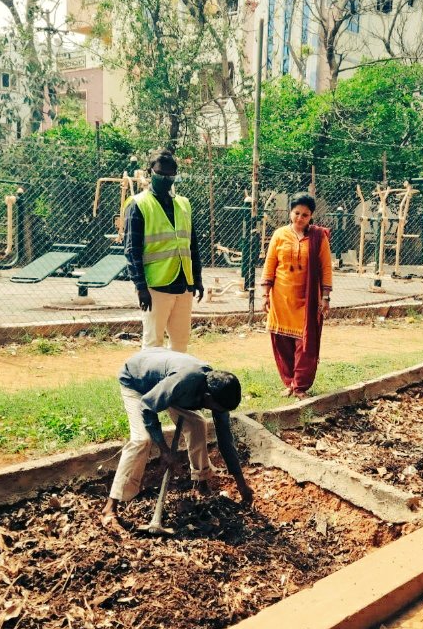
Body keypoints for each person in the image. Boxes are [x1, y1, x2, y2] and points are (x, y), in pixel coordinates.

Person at [101, 347, 254, 535]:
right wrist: (164, 450)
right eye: (218, 408)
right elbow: (148, 407)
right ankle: (110, 507)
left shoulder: (217, 394)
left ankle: (201, 482)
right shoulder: (183, 383)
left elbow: (225, 439)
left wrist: (241, 483)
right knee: (142, 440)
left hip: (166, 381)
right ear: (207, 398)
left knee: (197, 423)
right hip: (137, 381)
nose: (220, 412)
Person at [123, 148, 203, 352]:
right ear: (150, 172)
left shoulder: (183, 204)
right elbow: (132, 250)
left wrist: (197, 279)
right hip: (156, 287)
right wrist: (141, 287)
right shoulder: (138, 205)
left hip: (184, 285)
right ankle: (151, 384)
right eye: (160, 173)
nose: (166, 178)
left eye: (170, 174)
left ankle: (176, 383)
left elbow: (192, 245)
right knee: (153, 343)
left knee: (180, 342)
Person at [260, 192, 333, 399]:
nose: (300, 218)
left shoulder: (319, 238)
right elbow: (270, 264)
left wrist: (325, 297)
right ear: (290, 212)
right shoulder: (279, 235)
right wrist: (265, 294)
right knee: (281, 341)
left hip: (308, 300)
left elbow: (326, 268)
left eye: (305, 215)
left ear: (311, 217)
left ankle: (300, 386)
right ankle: (289, 383)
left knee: (305, 344)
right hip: (281, 297)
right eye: (297, 213)